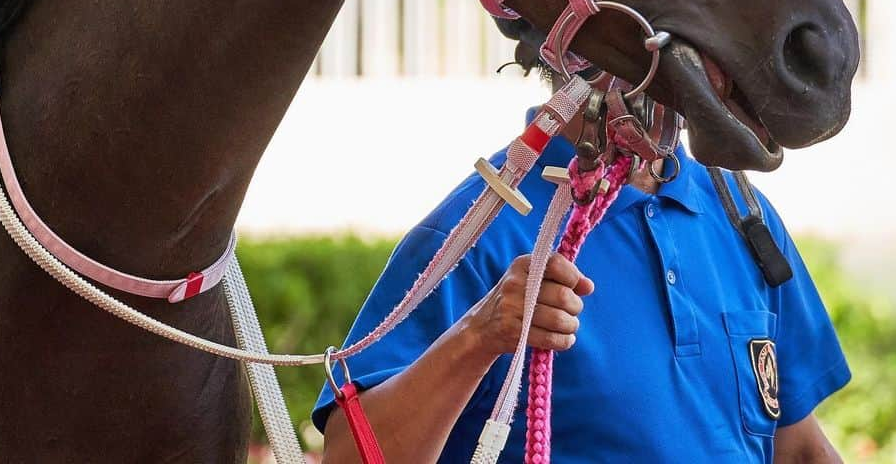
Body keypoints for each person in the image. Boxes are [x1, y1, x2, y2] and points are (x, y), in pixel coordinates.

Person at [314, 53, 848, 463]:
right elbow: (349, 455)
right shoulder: (477, 232)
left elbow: (796, 445)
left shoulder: (741, 213)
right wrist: (479, 334)